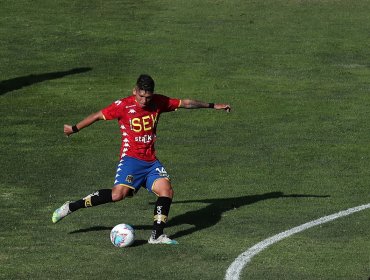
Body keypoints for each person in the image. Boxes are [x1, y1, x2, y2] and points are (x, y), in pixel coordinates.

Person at [52, 74, 231, 245]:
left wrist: (212, 105)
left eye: (148, 97)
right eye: (141, 96)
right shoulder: (123, 105)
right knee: (117, 195)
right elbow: (98, 115)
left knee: (166, 191)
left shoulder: (158, 102)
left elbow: (185, 103)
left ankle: (157, 236)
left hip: (151, 162)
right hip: (131, 160)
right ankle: (72, 207)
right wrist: (74, 128)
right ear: (134, 91)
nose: (144, 101)